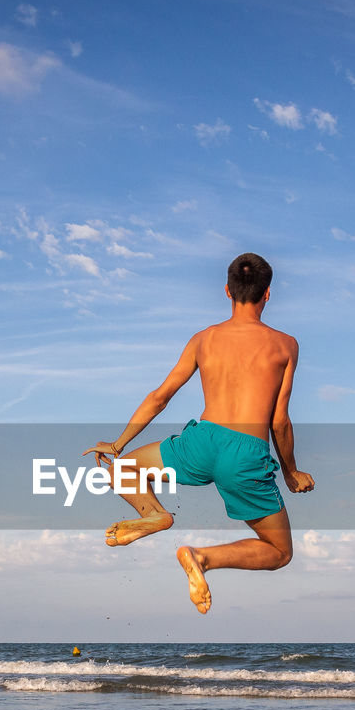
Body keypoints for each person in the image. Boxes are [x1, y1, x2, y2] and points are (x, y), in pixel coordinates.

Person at [83, 253, 314, 613]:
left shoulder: (204, 339)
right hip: (246, 451)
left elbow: (160, 397)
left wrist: (118, 443)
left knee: (120, 469)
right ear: (268, 294)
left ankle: (155, 515)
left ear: (227, 290)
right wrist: (291, 473)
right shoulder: (285, 345)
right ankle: (201, 558)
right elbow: (279, 421)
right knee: (279, 551)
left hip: (202, 441)